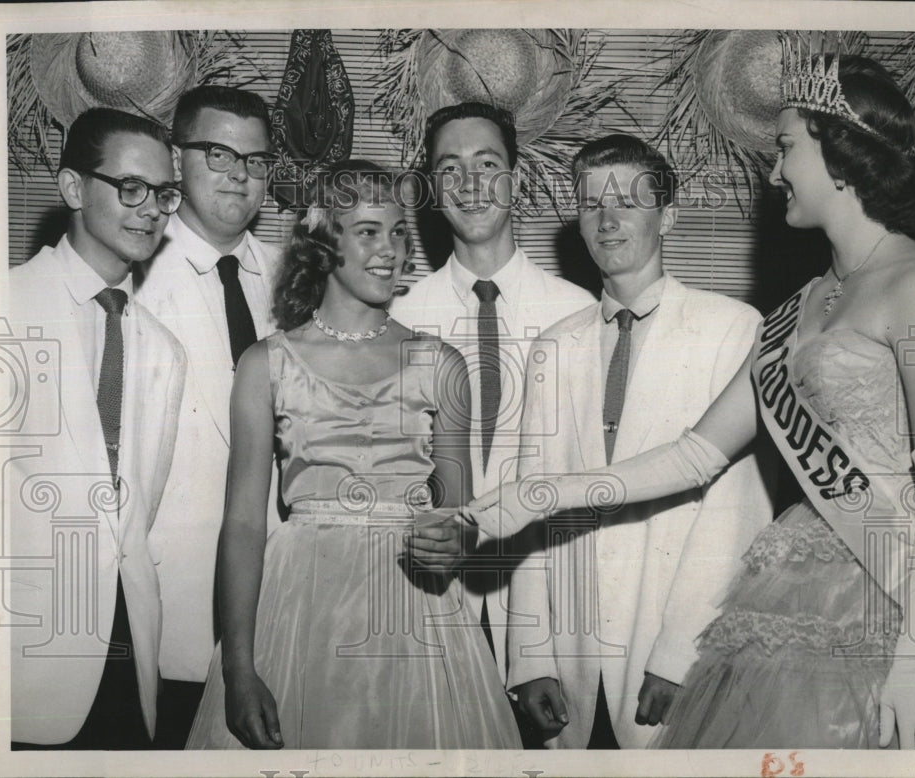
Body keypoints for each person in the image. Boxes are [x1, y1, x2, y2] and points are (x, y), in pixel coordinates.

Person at [465, 52, 915, 750]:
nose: (774, 173)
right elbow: (694, 455)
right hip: (799, 587)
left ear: (840, 156)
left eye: (785, 148)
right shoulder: (804, 302)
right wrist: (536, 496)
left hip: (896, 594)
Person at [185, 161, 521, 749]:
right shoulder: (266, 363)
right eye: (368, 231)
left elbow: (460, 511)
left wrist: (455, 540)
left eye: (398, 232)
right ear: (323, 244)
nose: (390, 249)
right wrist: (239, 668)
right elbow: (242, 524)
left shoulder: (440, 363)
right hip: (298, 607)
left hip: (413, 610)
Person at [504, 134, 773, 749]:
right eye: (591, 203)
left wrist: (682, 653)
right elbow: (531, 501)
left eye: (627, 201)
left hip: (667, 648)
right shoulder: (552, 345)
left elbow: (736, 511)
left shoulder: (733, 328)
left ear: (667, 217)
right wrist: (530, 657)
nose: (607, 219)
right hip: (570, 659)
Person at [394, 102, 595, 680]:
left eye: (487, 164)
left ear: (516, 176)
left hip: (549, 598)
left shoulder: (579, 312)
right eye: (449, 168)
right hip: (429, 597)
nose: (470, 184)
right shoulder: (402, 318)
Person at [7, 107, 186, 749]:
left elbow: (138, 515)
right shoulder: (0, 309)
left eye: (164, 194)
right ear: (74, 188)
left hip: (127, 649)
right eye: (131, 188)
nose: (152, 210)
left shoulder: (164, 348)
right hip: (17, 653)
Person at [135, 85, 283, 748]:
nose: (239, 174)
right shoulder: (131, 273)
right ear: (175, 160)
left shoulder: (296, 280)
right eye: (218, 154)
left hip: (282, 604)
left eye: (255, 160)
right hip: (171, 612)